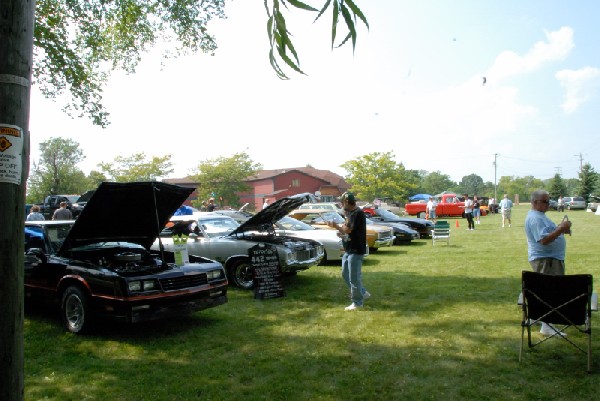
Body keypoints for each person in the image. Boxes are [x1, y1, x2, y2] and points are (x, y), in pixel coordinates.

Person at [525, 189, 572, 336]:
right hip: (546, 259)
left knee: (546, 291)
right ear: (535, 202)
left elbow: (547, 233)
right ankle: (547, 326)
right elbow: (544, 240)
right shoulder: (535, 218)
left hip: (551, 258)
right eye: (545, 201)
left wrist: (560, 230)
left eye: (549, 200)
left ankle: (541, 319)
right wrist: (560, 229)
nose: (548, 204)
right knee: (550, 292)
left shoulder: (540, 216)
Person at [327, 191, 369, 311]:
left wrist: (336, 226)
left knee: (354, 278)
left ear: (346, 202)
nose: (341, 205)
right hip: (349, 249)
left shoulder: (357, 214)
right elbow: (349, 232)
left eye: (341, 202)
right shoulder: (350, 213)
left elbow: (349, 230)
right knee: (345, 274)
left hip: (356, 249)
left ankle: (357, 302)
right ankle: (363, 293)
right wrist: (342, 234)